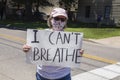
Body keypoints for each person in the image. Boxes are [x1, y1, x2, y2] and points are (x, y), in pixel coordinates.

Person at [23, 7, 84, 80]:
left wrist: (77, 53)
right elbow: (33, 48)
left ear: (65, 22)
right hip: (42, 75)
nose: (59, 21)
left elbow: (72, 55)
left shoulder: (71, 39)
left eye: (62, 19)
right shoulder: (42, 34)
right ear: (51, 19)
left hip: (63, 76)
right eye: (56, 18)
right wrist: (26, 48)